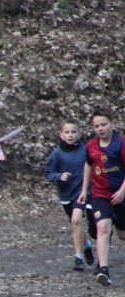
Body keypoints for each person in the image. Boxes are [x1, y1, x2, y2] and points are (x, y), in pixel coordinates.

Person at [77, 108, 125, 286]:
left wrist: (122, 192)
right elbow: (88, 165)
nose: (100, 129)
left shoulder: (121, 144)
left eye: (103, 124)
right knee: (103, 227)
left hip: (120, 193)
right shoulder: (90, 146)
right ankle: (103, 270)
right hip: (100, 194)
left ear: (112, 124)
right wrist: (84, 190)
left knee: (122, 234)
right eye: (96, 126)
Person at [44, 119, 95, 271]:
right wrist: (59, 176)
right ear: (61, 135)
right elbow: (48, 173)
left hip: (83, 192)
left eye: (73, 132)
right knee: (75, 224)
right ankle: (86, 244)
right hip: (66, 194)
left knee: (76, 219)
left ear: (79, 134)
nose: (70, 135)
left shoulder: (86, 150)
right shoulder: (57, 154)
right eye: (67, 132)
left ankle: (78, 257)